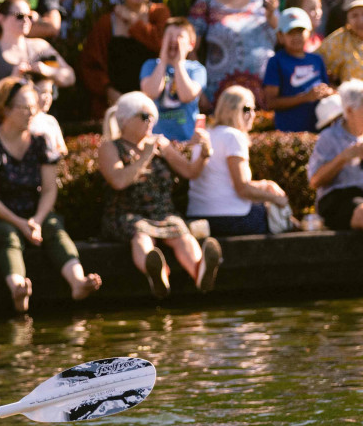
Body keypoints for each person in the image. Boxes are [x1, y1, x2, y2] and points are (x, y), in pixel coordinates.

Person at [0, 78, 101, 314]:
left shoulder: (41, 142)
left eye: (33, 107)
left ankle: (78, 282)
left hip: (32, 214)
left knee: (54, 227)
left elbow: (50, 189)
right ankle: (19, 290)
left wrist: (36, 220)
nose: (31, 113)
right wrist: (20, 223)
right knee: (10, 236)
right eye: (24, 107)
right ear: (5, 109)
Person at [97, 91, 221, 300]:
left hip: (162, 213)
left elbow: (189, 171)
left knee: (181, 233)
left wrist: (205, 153)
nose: (151, 122)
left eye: (153, 116)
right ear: (125, 120)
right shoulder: (110, 147)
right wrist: (144, 157)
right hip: (126, 213)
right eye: (144, 116)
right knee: (141, 235)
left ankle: (201, 274)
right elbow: (118, 181)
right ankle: (158, 276)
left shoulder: (161, 144)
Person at [187, 85, 290, 235]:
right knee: (279, 219)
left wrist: (265, 185)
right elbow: (242, 188)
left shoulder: (206, 134)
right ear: (230, 110)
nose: (253, 115)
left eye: (254, 109)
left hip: (198, 216)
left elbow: (222, 181)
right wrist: (276, 199)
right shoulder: (234, 136)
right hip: (230, 218)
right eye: (247, 109)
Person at [188, 0, 279, 109]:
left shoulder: (263, 1)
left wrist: (272, 14)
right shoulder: (205, 4)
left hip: (265, 92)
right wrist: (198, 89)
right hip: (220, 94)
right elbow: (190, 49)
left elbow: (282, 38)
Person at [80, 0, 170, 119]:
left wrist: (134, 23)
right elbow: (90, 62)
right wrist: (108, 90)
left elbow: (164, 46)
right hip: (116, 101)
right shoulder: (108, 22)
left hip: (155, 99)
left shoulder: (159, 13)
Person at [0, 0, 74, 130]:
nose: (26, 20)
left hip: (43, 125)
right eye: (19, 16)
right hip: (3, 128)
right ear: (1, 18)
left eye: (29, 16)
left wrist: (48, 71)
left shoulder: (41, 47)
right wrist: (11, 81)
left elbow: (70, 77)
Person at [263, 7, 334, 132]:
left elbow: (325, 88)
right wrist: (305, 97)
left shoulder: (317, 59)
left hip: (319, 129)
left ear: (310, 33)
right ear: (280, 36)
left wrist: (329, 93)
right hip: (289, 133)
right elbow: (270, 102)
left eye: (300, 31)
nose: (296, 37)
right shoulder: (276, 62)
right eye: (291, 32)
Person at [140, 17, 209, 142]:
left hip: (187, 140)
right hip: (156, 141)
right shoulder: (150, 66)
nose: (173, 40)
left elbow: (187, 95)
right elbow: (151, 92)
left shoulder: (196, 69)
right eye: (169, 36)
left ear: (191, 44)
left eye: (180, 36)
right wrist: (163, 61)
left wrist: (178, 63)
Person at [307, 79, 363, 230]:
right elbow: (315, 181)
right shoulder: (329, 137)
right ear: (350, 110)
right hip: (337, 199)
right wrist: (344, 157)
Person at [318, 0, 363, 85]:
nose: (361, 21)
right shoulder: (338, 40)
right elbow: (315, 63)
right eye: (354, 15)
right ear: (347, 17)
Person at [29, 75, 66, 158]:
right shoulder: (25, 120)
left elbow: (62, 149)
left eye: (50, 92)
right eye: (43, 92)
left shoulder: (51, 121)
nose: (48, 97)